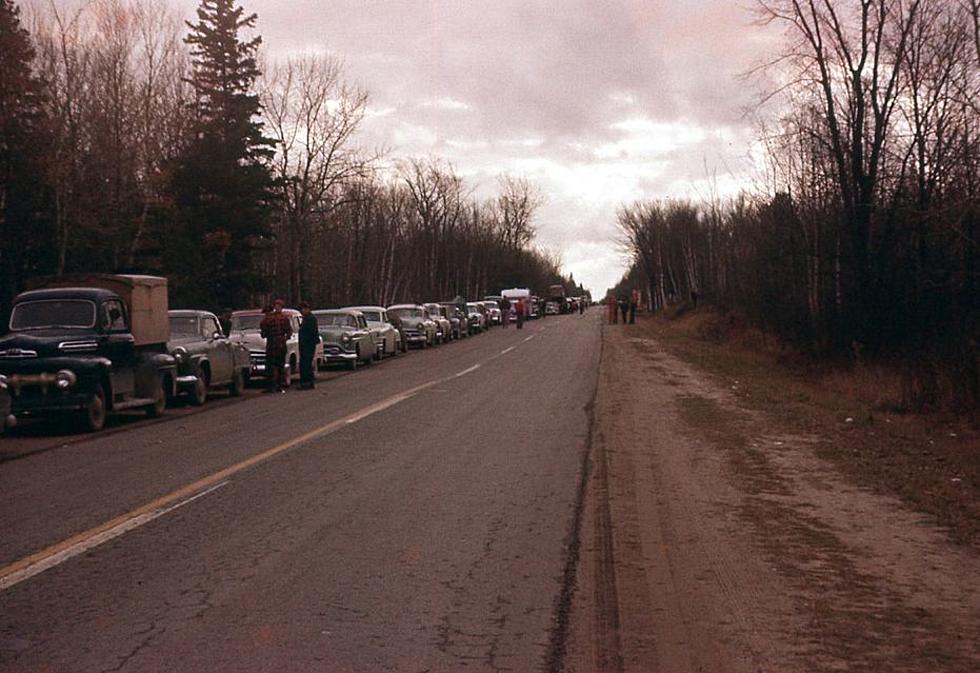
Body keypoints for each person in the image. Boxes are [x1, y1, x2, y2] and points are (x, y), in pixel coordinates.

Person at [260, 298, 292, 393]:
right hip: (280, 344)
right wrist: (285, 338)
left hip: (273, 344)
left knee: (272, 366)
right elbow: (289, 331)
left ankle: (272, 386)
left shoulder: (268, 319)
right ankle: (278, 385)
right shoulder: (284, 318)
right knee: (278, 365)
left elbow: (263, 333)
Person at [297, 302, 318, 390]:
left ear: (307, 309)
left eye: (304, 309)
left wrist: (308, 342)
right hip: (305, 345)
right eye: (301, 309)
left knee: (306, 364)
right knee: (305, 363)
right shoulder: (306, 318)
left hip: (308, 345)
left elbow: (312, 332)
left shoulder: (310, 319)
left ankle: (307, 382)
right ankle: (307, 382)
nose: (302, 311)